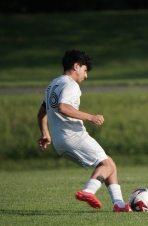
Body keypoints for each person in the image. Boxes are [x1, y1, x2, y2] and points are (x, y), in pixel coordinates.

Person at [37, 49, 132, 212]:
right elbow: (63, 107)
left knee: (109, 163)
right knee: (106, 164)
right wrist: (90, 117)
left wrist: (45, 133)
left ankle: (119, 204)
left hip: (60, 141)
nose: (85, 76)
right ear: (76, 66)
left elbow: (41, 113)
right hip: (73, 135)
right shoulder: (71, 85)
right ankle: (88, 191)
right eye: (85, 70)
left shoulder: (53, 84)